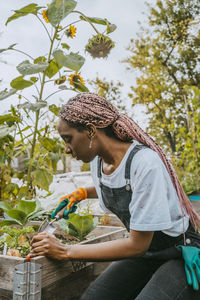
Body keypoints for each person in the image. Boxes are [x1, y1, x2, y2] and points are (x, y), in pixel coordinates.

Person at [30, 93, 200, 299]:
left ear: (91, 131)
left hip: (177, 252)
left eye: (68, 139)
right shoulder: (98, 161)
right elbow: (114, 185)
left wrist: (66, 251)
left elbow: (137, 245)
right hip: (147, 253)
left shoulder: (145, 163)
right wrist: (81, 193)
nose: (66, 149)